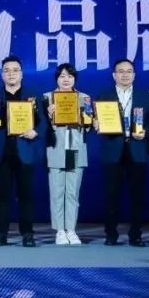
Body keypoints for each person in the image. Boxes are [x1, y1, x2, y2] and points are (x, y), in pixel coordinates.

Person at [0, 55, 45, 247]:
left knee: (26, 195)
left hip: (25, 151)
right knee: (2, 196)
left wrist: (35, 132)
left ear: (21, 74)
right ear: (2, 74)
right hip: (1, 153)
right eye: (7, 70)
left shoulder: (33, 95)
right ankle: (1, 234)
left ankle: (28, 234)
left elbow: (43, 122)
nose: (11, 74)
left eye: (15, 70)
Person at [96, 59, 149, 247]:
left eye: (129, 71)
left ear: (134, 75)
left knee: (137, 196)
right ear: (114, 75)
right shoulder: (104, 96)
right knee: (111, 195)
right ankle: (111, 235)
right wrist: (96, 123)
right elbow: (94, 118)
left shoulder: (145, 96)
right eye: (121, 71)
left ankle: (136, 235)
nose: (125, 75)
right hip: (113, 149)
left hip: (137, 149)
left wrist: (146, 132)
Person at [44, 63, 90, 246]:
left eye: (70, 76)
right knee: (57, 192)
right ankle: (59, 231)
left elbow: (89, 126)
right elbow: (40, 126)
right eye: (62, 76)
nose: (66, 79)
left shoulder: (84, 98)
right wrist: (49, 116)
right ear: (56, 78)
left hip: (76, 149)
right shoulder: (46, 98)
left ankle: (71, 229)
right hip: (56, 149)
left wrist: (87, 118)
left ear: (74, 79)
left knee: (72, 193)